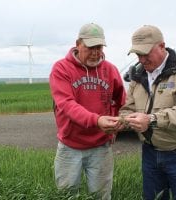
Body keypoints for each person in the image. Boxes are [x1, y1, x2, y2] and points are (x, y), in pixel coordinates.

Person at [119, 25, 176, 200]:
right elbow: (127, 108)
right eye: (138, 54)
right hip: (150, 152)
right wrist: (120, 121)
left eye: (146, 53)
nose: (142, 59)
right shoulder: (138, 75)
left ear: (162, 46)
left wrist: (150, 119)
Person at [49, 23, 126, 199]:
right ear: (78, 44)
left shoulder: (110, 70)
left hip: (101, 147)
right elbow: (67, 104)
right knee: (66, 195)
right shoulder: (61, 69)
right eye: (91, 47)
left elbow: (120, 100)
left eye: (99, 47)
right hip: (70, 146)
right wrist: (97, 120)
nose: (95, 52)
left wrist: (116, 122)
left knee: (101, 196)